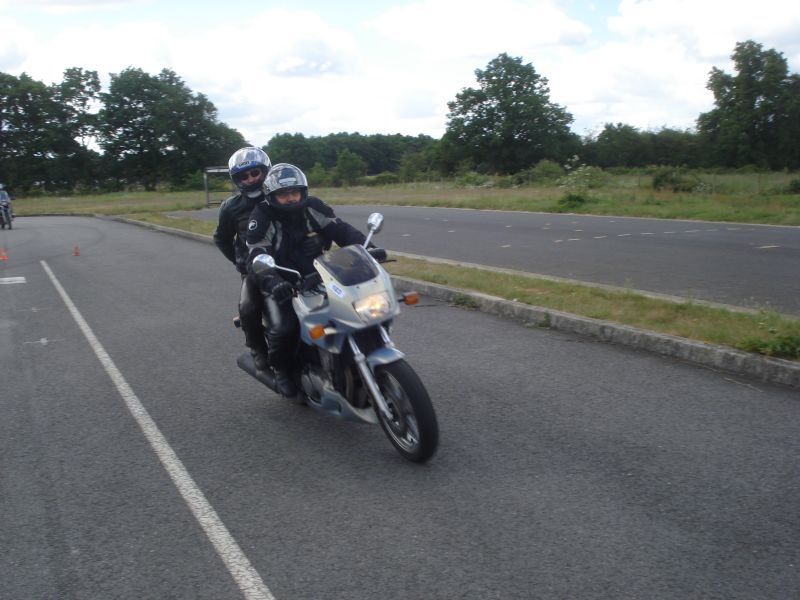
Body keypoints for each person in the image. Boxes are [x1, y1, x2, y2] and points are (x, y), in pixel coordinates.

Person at [245, 163, 386, 396]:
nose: (290, 198)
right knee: (285, 327)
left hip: (318, 273)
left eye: (294, 192)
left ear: (303, 191)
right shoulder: (262, 215)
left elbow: (342, 230)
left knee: (354, 308)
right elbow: (256, 254)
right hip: (280, 279)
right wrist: (274, 282)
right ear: (272, 196)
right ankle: (281, 370)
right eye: (283, 194)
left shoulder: (313, 206)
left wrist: (368, 249)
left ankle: (355, 356)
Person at [213, 147, 272, 370]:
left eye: (255, 173)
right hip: (255, 269)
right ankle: (257, 347)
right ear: (237, 180)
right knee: (247, 308)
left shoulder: (279, 196)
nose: (250, 179)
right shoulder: (231, 207)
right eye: (244, 176)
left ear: (265, 171)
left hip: (288, 262)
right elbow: (221, 238)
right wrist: (240, 262)